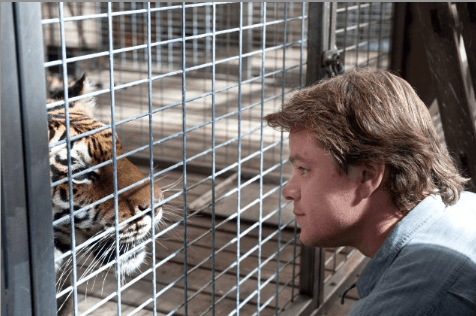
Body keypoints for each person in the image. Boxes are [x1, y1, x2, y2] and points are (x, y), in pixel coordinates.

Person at [265, 68, 476, 315]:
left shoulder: (407, 306)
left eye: (303, 169)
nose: (288, 191)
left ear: (367, 175)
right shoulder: (465, 207)